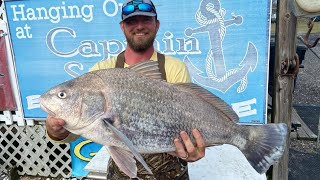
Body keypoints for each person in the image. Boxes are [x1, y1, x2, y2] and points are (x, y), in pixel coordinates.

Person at [46, 0, 206, 179]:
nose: (139, 26)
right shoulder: (102, 70)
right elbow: (79, 128)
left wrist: (192, 150)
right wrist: (56, 132)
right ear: (122, 27)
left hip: (172, 173)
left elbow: (189, 121)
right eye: (131, 21)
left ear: (156, 24)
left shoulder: (175, 67)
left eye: (146, 20)